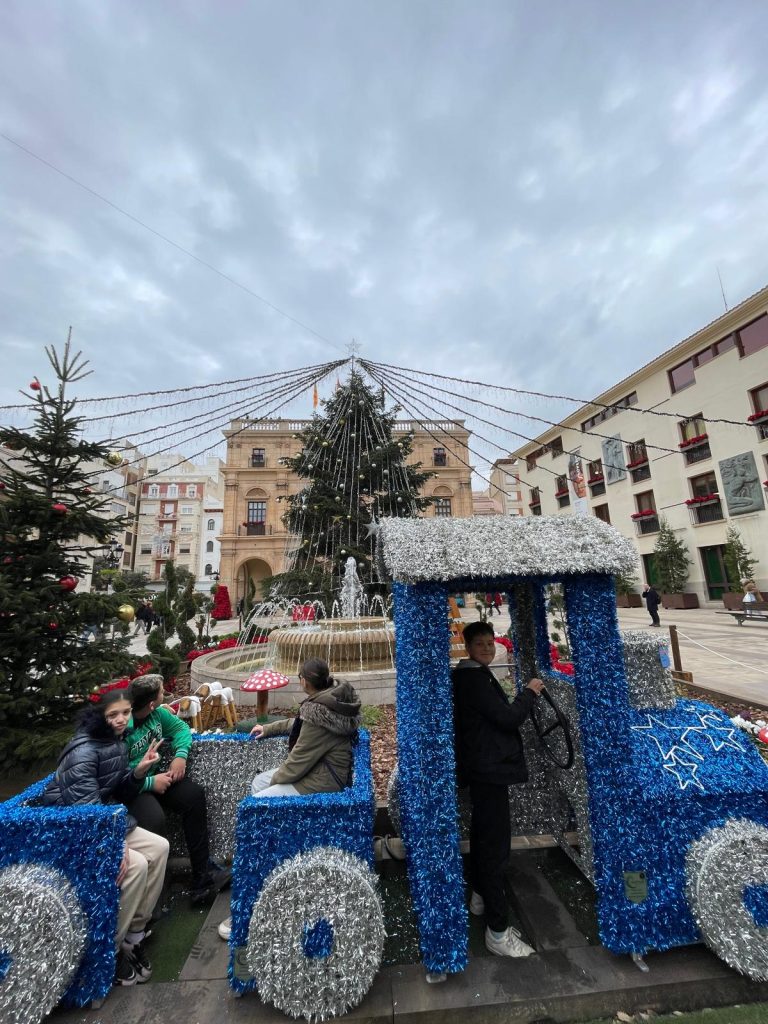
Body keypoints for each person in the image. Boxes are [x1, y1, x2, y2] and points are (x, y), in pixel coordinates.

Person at [217, 658, 361, 941]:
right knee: (258, 784)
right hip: (322, 773)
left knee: (257, 805)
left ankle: (261, 871)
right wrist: (269, 728)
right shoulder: (329, 700)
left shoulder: (319, 711)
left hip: (321, 783)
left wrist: (272, 787)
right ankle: (271, 838)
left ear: (304, 681)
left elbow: (296, 765)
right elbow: (301, 724)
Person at [42, 687, 169, 987]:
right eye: (113, 715)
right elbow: (85, 810)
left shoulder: (114, 740)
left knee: (159, 847)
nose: (121, 719)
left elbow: (116, 790)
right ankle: (108, 950)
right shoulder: (84, 751)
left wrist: (137, 773)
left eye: (125, 712)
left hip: (105, 819)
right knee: (135, 866)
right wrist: (117, 844)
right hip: (72, 829)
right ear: (100, 715)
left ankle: (134, 936)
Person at [452, 620, 543, 958]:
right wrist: (529, 692)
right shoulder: (474, 679)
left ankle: (480, 896)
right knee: (495, 848)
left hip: (483, 769)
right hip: (489, 770)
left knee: (483, 836)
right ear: (467, 648)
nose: (488, 649)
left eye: (490, 643)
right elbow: (507, 718)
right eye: (480, 644)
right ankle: (498, 931)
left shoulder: (471, 675)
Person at [124, 675, 231, 905]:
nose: (165, 695)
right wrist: (150, 783)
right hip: (133, 789)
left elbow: (181, 728)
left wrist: (180, 755)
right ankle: (156, 892)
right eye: (162, 692)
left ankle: (202, 877)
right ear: (151, 703)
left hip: (156, 777)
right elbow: (118, 776)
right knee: (155, 819)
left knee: (193, 796)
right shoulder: (123, 727)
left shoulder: (157, 714)